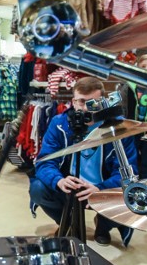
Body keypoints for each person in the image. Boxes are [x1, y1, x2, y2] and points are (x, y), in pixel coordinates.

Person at [29, 77, 138, 247]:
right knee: (37, 188)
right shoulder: (59, 124)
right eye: (80, 101)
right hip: (69, 186)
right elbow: (44, 162)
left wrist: (100, 188)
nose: (85, 107)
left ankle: (103, 226)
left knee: (130, 194)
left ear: (102, 102)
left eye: (92, 102)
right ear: (73, 102)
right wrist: (58, 180)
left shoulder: (117, 128)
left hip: (102, 187)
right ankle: (68, 221)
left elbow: (127, 172)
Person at [119, 54, 147, 180]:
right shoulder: (129, 86)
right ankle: (130, 183)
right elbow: (122, 106)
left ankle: (145, 184)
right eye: (143, 66)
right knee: (129, 159)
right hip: (131, 130)